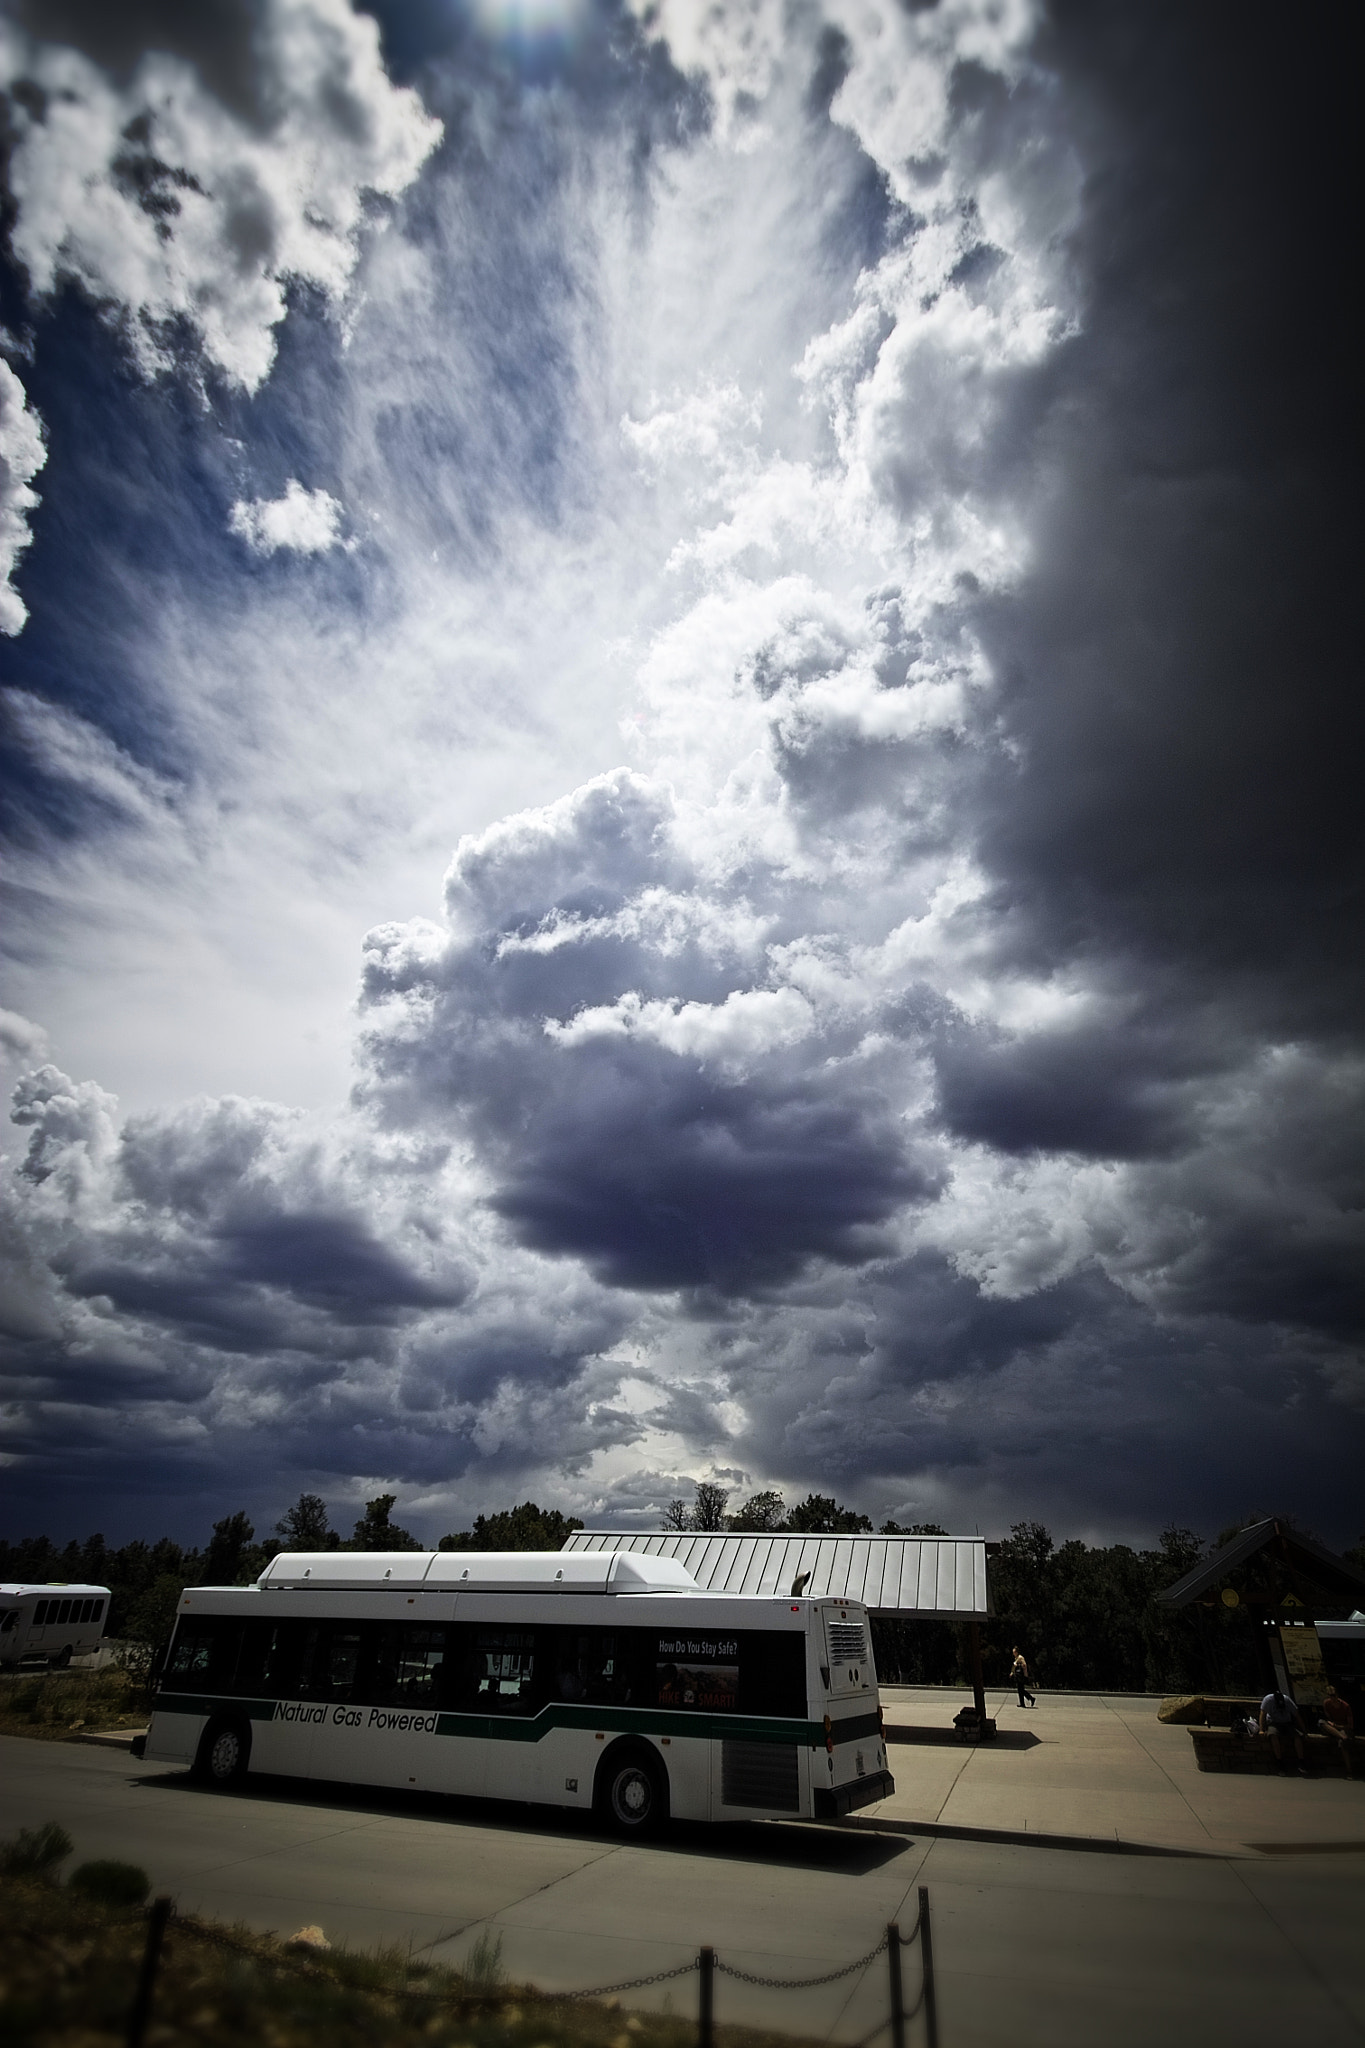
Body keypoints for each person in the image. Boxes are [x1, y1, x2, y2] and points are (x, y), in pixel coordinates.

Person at [1259, 1686, 1307, 1774]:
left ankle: (1301, 1761)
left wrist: (1304, 1730)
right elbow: (1262, 1714)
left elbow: (1297, 1715)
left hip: (1287, 1722)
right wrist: (1261, 1729)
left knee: (1297, 1736)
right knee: (1273, 1735)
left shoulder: (1287, 1700)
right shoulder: (1268, 1700)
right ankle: (1279, 1762)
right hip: (1273, 1722)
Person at [1319, 1683, 1356, 1778]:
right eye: (1330, 1696)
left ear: (1337, 1695)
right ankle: (1340, 1735)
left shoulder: (1345, 1706)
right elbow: (1328, 1718)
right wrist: (1332, 1724)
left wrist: (1337, 1726)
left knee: (1343, 1744)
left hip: (1342, 1727)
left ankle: (1349, 1770)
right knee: (1321, 1722)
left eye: (1333, 1696)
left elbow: (1350, 1725)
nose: (1332, 1698)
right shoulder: (1326, 1703)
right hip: (1333, 1727)